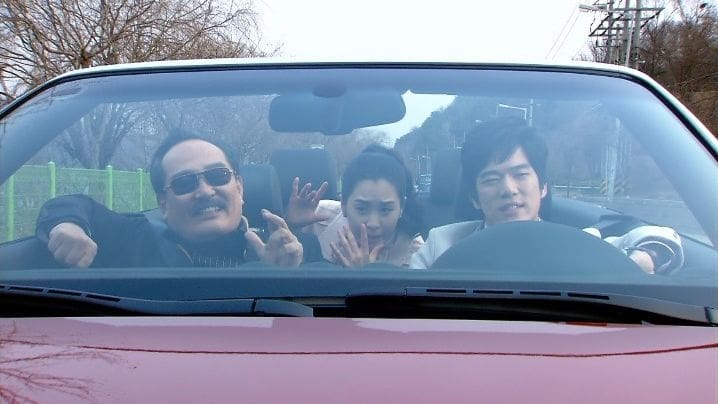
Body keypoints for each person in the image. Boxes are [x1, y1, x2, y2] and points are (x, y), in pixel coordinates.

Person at [411, 118, 684, 274]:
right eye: (491, 179)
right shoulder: (441, 244)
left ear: (543, 186)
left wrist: (644, 257)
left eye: (520, 174)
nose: (508, 189)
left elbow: (662, 236)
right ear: (474, 197)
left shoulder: (577, 243)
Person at [36, 131, 315, 268]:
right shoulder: (134, 239)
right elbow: (72, 205)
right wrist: (67, 226)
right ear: (163, 204)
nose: (205, 191)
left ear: (239, 188)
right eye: (184, 183)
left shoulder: (292, 249)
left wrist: (284, 277)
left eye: (218, 176)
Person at [286, 145, 424, 267]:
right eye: (361, 209)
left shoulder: (417, 253)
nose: (373, 224)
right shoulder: (316, 217)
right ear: (344, 204)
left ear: (401, 207)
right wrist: (291, 226)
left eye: (385, 210)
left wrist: (364, 274)